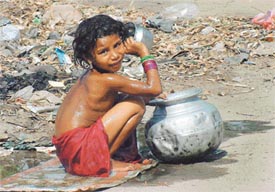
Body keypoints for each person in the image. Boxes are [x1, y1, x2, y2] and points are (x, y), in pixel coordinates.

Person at [52, 14, 163, 177]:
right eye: (104, 51)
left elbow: (147, 92)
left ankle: (107, 157)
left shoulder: (91, 76)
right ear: (88, 57)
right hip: (81, 155)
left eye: (117, 45)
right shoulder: (106, 79)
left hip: (69, 156)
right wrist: (143, 52)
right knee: (135, 105)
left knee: (133, 99)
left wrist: (148, 93)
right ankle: (104, 161)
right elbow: (154, 88)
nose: (115, 55)